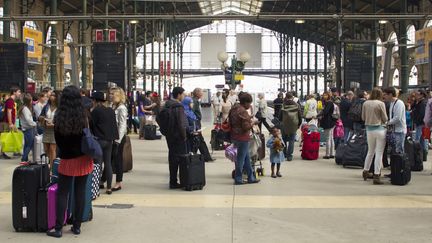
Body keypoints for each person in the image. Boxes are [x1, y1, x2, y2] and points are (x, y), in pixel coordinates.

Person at [47, 85, 93, 238]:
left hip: (67, 159)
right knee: (80, 192)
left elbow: (58, 141)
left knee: (62, 193)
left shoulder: (59, 116)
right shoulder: (84, 115)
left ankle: (59, 228)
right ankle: (77, 226)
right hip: (83, 158)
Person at [90, 91, 119, 195]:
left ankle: (96, 187)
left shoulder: (95, 111)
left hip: (99, 140)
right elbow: (114, 125)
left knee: (97, 164)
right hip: (109, 140)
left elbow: (91, 126)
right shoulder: (110, 110)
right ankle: (109, 188)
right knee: (108, 164)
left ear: (95, 100)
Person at [230, 92, 260, 185]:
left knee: (246, 158)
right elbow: (245, 127)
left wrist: (248, 118)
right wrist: (253, 123)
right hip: (242, 137)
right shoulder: (243, 111)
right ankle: (238, 179)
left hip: (234, 136)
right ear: (245, 102)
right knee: (240, 159)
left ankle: (251, 177)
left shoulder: (234, 108)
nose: (250, 105)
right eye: (249, 103)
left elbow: (235, 121)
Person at [162, 87, 188, 189]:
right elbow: (181, 123)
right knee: (181, 159)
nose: (184, 96)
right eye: (183, 94)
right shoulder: (178, 107)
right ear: (179, 95)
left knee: (172, 158)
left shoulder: (167, 105)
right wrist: (184, 136)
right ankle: (182, 181)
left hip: (170, 135)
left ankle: (172, 180)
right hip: (178, 136)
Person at [361, 88, 388, 185]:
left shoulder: (365, 103)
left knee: (370, 152)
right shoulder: (381, 104)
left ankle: (365, 171)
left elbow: (363, 117)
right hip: (380, 129)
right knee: (379, 153)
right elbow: (385, 118)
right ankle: (376, 175)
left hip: (369, 130)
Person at [110, 88, 128, 192]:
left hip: (118, 138)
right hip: (112, 136)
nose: (111, 96)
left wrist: (118, 140)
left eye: (113, 94)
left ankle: (118, 182)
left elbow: (122, 126)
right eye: (110, 94)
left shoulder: (122, 108)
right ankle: (103, 179)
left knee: (117, 159)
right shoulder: (113, 106)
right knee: (110, 159)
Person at [192, 88, 215, 162]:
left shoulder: (196, 101)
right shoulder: (194, 102)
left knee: (200, 140)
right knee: (198, 140)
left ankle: (206, 157)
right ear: (197, 93)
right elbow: (192, 113)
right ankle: (193, 156)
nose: (202, 94)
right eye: (201, 92)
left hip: (197, 123)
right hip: (196, 123)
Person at [39, 90, 60, 167]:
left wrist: (54, 124)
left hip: (55, 130)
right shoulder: (46, 106)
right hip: (46, 129)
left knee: (52, 148)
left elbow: (61, 119)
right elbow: (40, 116)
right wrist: (43, 119)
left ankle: (52, 167)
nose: (52, 97)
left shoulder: (59, 107)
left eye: (54, 95)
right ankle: (51, 161)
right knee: (46, 149)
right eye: (51, 95)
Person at [279, 92, 302, 161]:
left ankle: (284, 154)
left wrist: (281, 121)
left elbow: (280, 116)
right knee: (292, 140)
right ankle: (289, 156)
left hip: (284, 124)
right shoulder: (296, 105)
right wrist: (299, 124)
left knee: (284, 139)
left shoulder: (283, 105)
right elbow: (299, 115)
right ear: (292, 97)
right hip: (293, 124)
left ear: (286, 97)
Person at [384, 87, 406, 153]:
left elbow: (397, 118)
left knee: (399, 151)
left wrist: (387, 123)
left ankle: (400, 163)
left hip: (399, 131)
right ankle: (395, 163)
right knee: (394, 151)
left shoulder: (399, 103)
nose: (384, 96)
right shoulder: (391, 103)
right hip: (394, 130)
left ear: (390, 94)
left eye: (385, 94)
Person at [1, 86, 21, 159]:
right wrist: (10, 123)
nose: (19, 93)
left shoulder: (11, 101)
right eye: (18, 92)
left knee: (12, 136)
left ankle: (14, 151)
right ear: (14, 92)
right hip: (7, 122)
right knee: (5, 137)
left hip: (10, 122)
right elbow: (9, 112)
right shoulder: (10, 101)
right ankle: (3, 153)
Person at [19, 93, 37, 164]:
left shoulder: (23, 108)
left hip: (26, 129)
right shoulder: (25, 109)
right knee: (29, 144)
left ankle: (25, 158)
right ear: (28, 101)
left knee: (27, 144)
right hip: (28, 129)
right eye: (31, 100)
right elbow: (28, 120)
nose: (32, 101)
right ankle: (24, 159)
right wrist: (35, 123)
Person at [319, 91, 336, 159]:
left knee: (328, 138)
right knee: (331, 138)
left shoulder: (328, 103)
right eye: (323, 95)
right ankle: (332, 153)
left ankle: (327, 154)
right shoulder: (330, 103)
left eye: (325, 95)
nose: (324, 96)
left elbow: (325, 112)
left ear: (328, 96)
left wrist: (320, 113)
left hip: (328, 122)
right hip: (332, 121)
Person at [411, 90, 428, 154]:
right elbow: (413, 107)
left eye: (417, 94)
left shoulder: (423, 103)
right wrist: (415, 101)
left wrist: (416, 120)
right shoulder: (418, 102)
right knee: (422, 139)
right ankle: (422, 153)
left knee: (419, 139)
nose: (416, 95)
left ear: (422, 95)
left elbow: (421, 113)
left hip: (421, 123)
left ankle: (420, 153)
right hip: (420, 123)